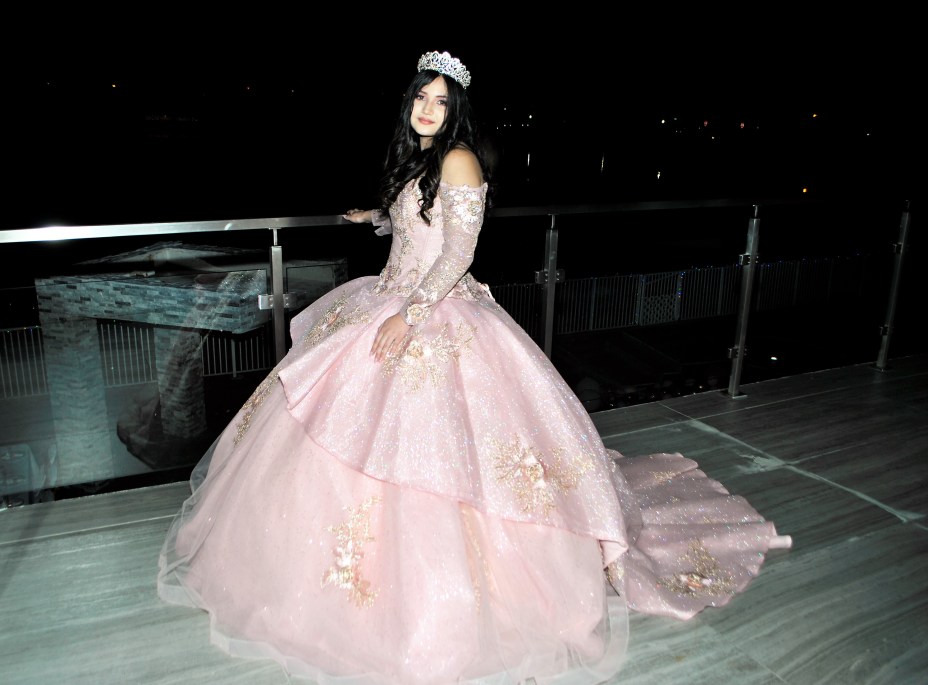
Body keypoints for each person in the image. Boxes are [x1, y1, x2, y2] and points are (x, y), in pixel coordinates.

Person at [158, 50, 791, 685]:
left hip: (431, 309)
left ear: (456, 110)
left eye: (441, 101)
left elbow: (459, 250)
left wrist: (411, 315)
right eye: (420, 97)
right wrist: (374, 217)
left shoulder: (458, 158)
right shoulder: (422, 158)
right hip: (392, 295)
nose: (427, 109)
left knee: (439, 448)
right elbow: (421, 225)